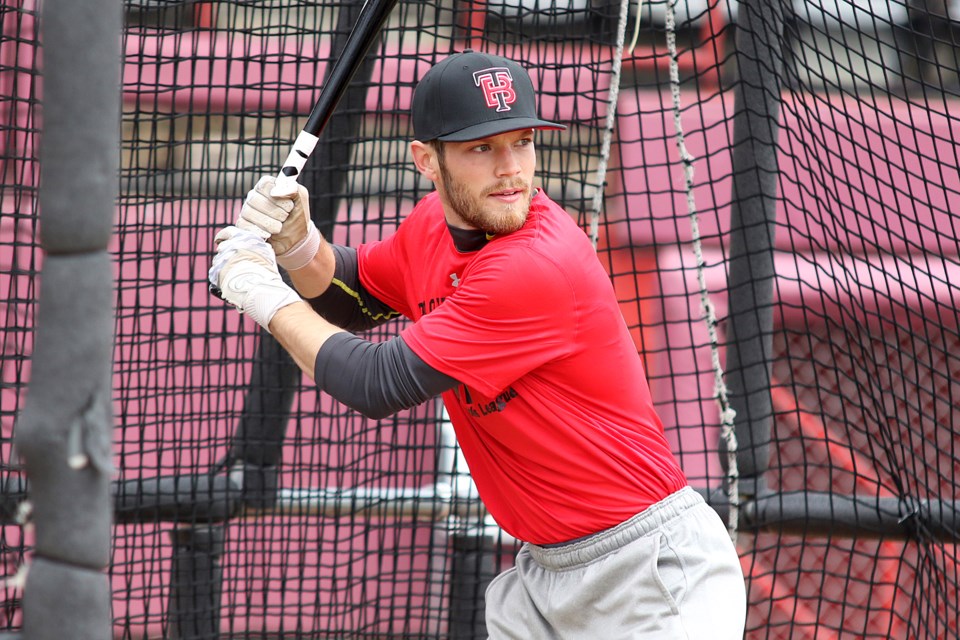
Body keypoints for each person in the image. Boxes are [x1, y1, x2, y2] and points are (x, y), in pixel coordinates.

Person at [209, 50, 746, 639]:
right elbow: (352, 295)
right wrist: (296, 245)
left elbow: (375, 382)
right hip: (543, 575)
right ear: (426, 160)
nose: (510, 168)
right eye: (481, 148)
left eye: (521, 141)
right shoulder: (430, 231)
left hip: (647, 571)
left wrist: (261, 293)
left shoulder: (534, 264)